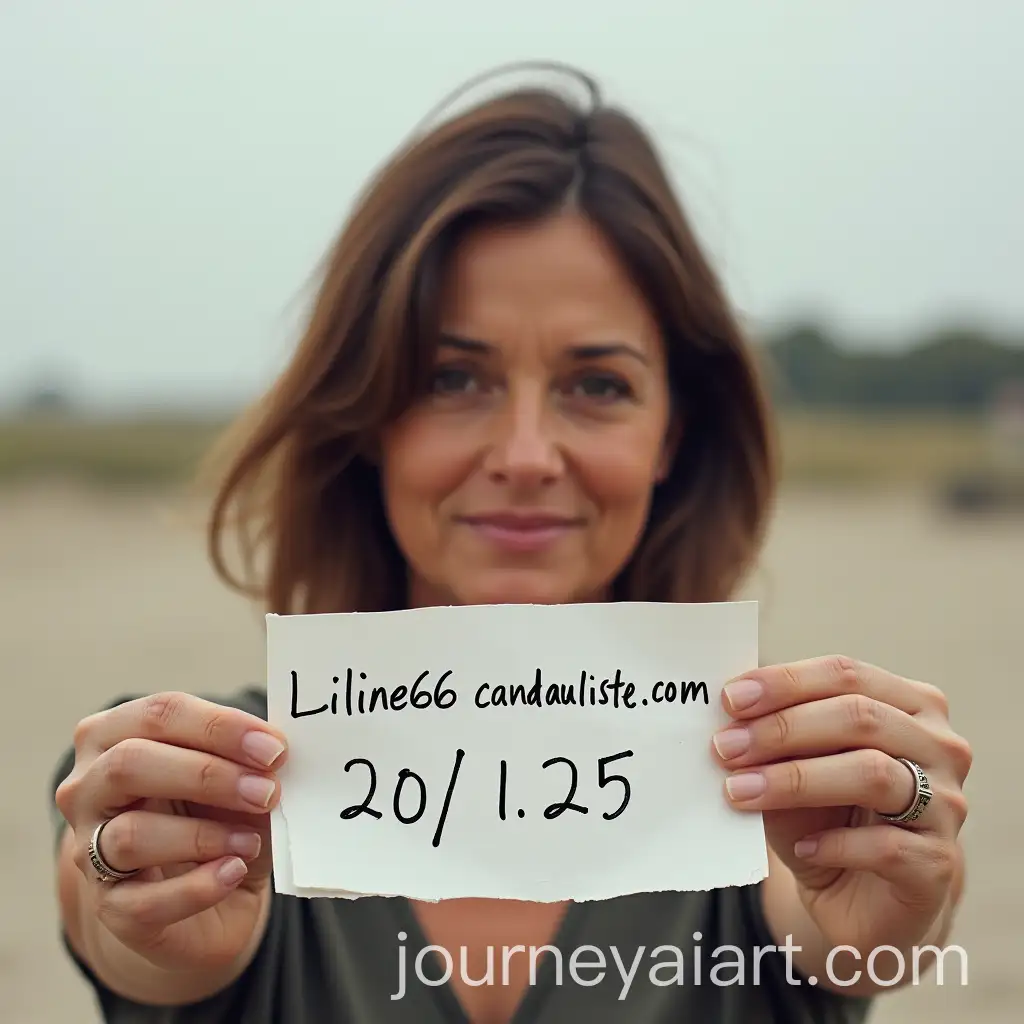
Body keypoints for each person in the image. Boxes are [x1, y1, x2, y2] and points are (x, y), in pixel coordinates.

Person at [50, 62, 972, 1023]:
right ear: (367, 419)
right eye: (453, 379)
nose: (528, 454)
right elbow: (125, 939)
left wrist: (893, 905)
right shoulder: (179, 789)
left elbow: (837, 939)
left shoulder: (789, 800)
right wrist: (143, 922)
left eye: (597, 385)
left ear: (675, 434)